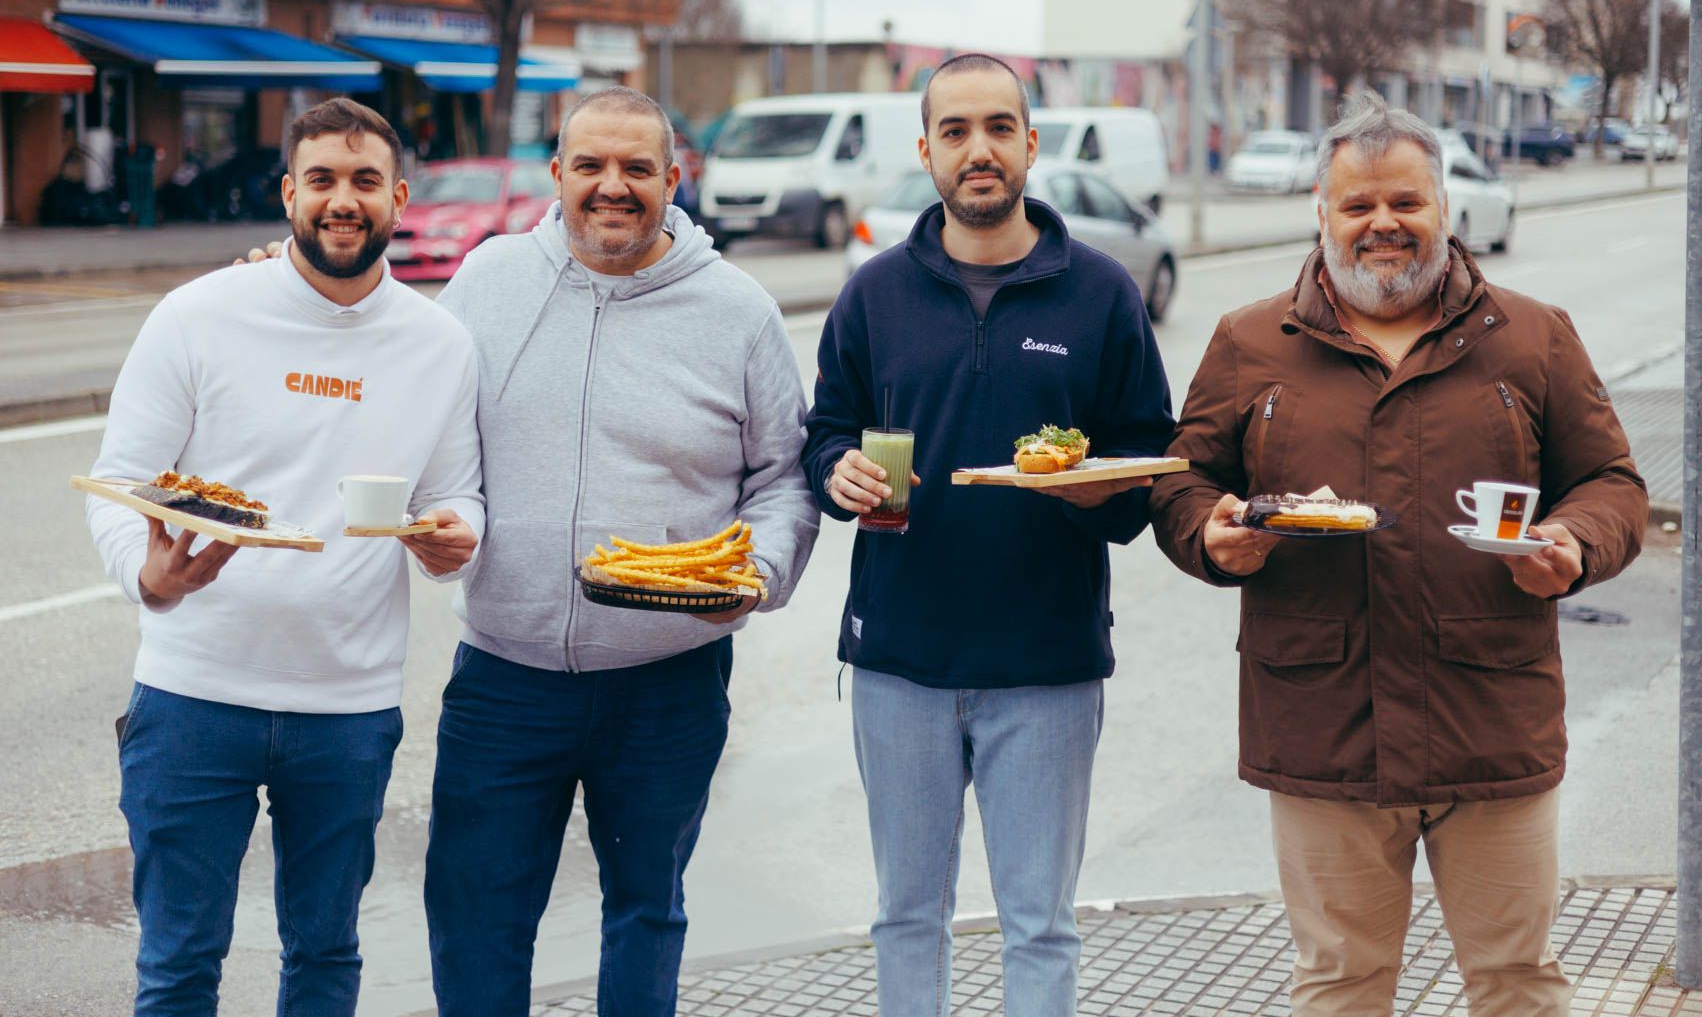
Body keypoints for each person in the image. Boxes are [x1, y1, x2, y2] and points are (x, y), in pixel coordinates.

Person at [1149, 93, 1648, 1017]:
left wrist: (1574, 545)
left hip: (1490, 720)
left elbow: (1614, 485)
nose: (1384, 224)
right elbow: (1181, 481)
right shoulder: (1252, 342)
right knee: (1340, 986)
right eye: (1359, 205)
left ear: (1444, 207)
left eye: (1407, 203)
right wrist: (1211, 537)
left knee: (1517, 984)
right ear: (1324, 214)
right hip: (1322, 725)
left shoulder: (1532, 336)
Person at [417, 86, 819, 1016]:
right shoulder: (487, 282)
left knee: (645, 913)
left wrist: (755, 576)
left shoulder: (739, 313)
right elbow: (433, 442)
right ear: (555, 174)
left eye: (637, 168)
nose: (613, 187)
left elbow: (785, 477)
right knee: (474, 912)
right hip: (504, 676)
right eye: (590, 165)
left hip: (667, 680)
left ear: (673, 178)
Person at [86, 97, 484, 1016]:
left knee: (325, 956)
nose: (342, 201)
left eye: (364, 181)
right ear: (288, 193)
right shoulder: (197, 315)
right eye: (322, 181)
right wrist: (147, 579)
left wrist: (455, 540)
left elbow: (459, 494)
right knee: (179, 965)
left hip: (346, 708)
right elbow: (121, 479)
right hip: (192, 698)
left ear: (399, 196)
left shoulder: (441, 344)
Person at [801, 53, 1174, 1017]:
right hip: (898, 662)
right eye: (956, 131)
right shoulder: (874, 293)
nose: (979, 151)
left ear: (1030, 145)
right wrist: (836, 472)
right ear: (925, 150)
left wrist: (1100, 493)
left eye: (999, 129)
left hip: (1046, 663)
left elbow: (1149, 458)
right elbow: (826, 431)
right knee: (906, 916)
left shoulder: (1099, 293)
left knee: (1040, 923)